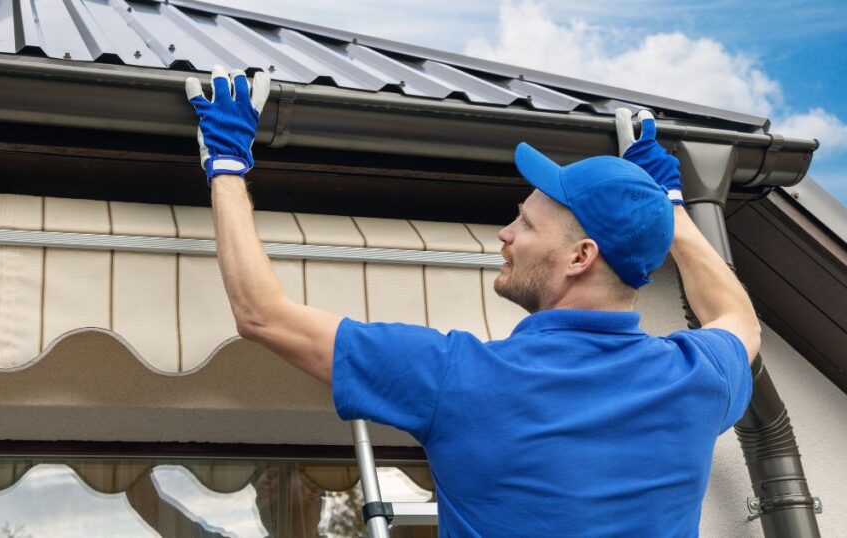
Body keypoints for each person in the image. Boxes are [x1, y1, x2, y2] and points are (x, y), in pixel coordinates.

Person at [185, 65, 758, 537]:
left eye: (526, 223)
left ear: (580, 257)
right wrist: (670, 210)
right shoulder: (695, 379)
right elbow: (739, 319)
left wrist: (228, 164)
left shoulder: (459, 379)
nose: (505, 233)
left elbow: (261, 313)